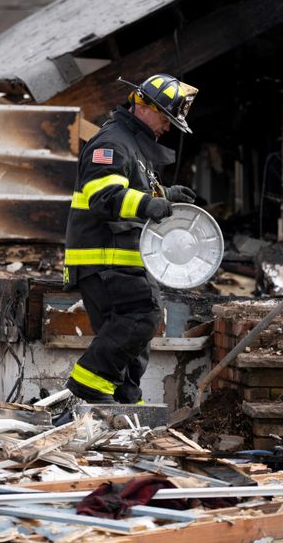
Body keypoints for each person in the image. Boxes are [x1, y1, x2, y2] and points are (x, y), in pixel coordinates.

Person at [61, 73, 199, 406]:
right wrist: (151, 204)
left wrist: (165, 194)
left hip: (122, 260)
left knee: (134, 344)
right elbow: (104, 195)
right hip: (104, 260)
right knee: (142, 316)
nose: (167, 127)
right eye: (165, 118)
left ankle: (126, 408)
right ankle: (89, 384)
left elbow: (130, 188)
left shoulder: (133, 145)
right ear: (143, 105)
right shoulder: (112, 143)